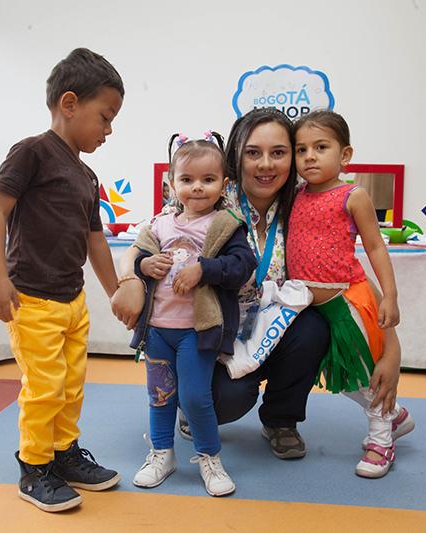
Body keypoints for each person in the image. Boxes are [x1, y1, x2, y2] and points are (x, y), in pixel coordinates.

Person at [115, 108, 369, 460]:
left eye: (278, 153)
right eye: (253, 153)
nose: (266, 164)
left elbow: (347, 268)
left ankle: (281, 420)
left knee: (313, 327)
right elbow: (143, 242)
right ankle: (191, 404)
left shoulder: (304, 202)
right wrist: (129, 277)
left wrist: (389, 338)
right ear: (236, 154)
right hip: (215, 331)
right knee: (224, 402)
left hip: (275, 326)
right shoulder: (214, 194)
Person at [0, 48, 123, 513]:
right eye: (104, 117)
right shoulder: (32, 153)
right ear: (69, 104)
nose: (108, 130)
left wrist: (116, 292)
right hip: (32, 299)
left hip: (72, 300)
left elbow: (95, 241)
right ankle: (34, 467)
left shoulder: (87, 176)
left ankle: (64, 455)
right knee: (44, 386)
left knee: (71, 384)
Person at [128, 132, 257, 496]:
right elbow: (137, 260)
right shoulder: (159, 225)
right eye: (187, 179)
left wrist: (205, 269)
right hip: (157, 329)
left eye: (208, 179)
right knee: (160, 395)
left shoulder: (226, 224)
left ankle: (209, 456)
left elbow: (243, 265)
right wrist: (144, 264)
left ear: (224, 184)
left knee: (196, 397)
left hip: (196, 330)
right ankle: (161, 454)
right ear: (171, 184)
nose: (197, 188)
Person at [289, 109, 414, 478]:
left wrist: (389, 296)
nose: (309, 156)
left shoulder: (353, 196)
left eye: (321, 147)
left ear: (345, 155)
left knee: (364, 372)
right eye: (301, 149)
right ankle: (394, 415)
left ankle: (381, 440)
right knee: (344, 377)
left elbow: (376, 248)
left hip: (348, 300)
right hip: (313, 310)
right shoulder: (295, 196)